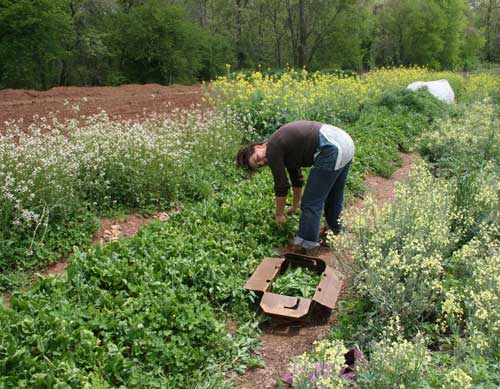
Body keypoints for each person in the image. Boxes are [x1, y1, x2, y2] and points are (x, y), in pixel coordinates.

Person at [235, 120, 354, 254]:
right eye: (260, 165)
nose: (264, 161)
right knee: (334, 194)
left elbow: (281, 186)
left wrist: (279, 215)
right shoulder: (283, 146)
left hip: (331, 147)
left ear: (258, 146)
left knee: (311, 202)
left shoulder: (273, 148)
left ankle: (305, 245)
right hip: (344, 141)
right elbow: (296, 178)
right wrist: (294, 205)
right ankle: (333, 231)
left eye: (258, 159)